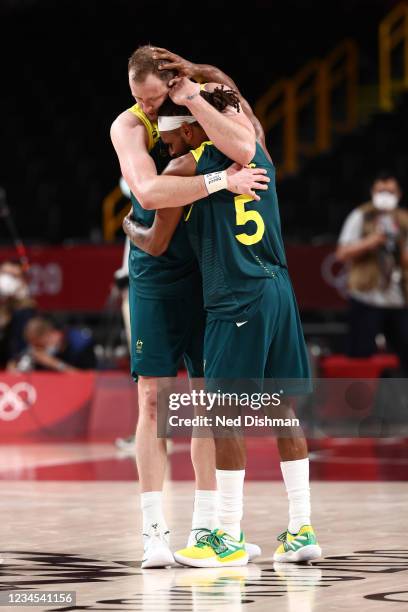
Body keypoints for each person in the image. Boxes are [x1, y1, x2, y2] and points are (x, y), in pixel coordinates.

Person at [123, 86, 322, 567]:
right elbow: (237, 111)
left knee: (220, 414)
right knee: (279, 405)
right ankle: (302, 530)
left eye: (176, 136)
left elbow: (152, 226)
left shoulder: (191, 164)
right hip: (279, 286)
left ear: (194, 126)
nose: (171, 145)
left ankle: (225, 535)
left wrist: (128, 225)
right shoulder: (260, 156)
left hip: (235, 297)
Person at [110, 45, 268, 569]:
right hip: (156, 271)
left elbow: (255, 148)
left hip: (209, 262)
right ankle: (154, 533)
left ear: (174, 81)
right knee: (154, 403)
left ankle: (210, 529)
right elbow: (151, 195)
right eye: (139, 100)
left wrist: (199, 102)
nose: (148, 111)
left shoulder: (211, 89)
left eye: (154, 99)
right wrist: (222, 179)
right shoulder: (128, 127)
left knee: (208, 400)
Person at [336, 172, 408, 370]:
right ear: (373, 192)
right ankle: (358, 400)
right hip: (367, 297)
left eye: (390, 191)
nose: (385, 195)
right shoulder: (360, 215)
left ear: (399, 194)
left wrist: (399, 244)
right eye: (381, 191)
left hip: (399, 299)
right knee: (359, 359)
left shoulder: (404, 220)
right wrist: (372, 242)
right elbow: (342, 253)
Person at [13, 316, 96, 372]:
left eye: (38, 345)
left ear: (47, 335)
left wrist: (54, 364)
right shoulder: (36, 353)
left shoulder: (80, 344)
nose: (36, 349)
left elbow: (88, 379)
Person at [0, 260, 37, 368]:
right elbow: (9, 294)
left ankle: (20, 360)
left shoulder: (21, 280)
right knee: (13, 339)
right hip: (12, 313)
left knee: (23, 338)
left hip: (23, 312)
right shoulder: (4, 279)